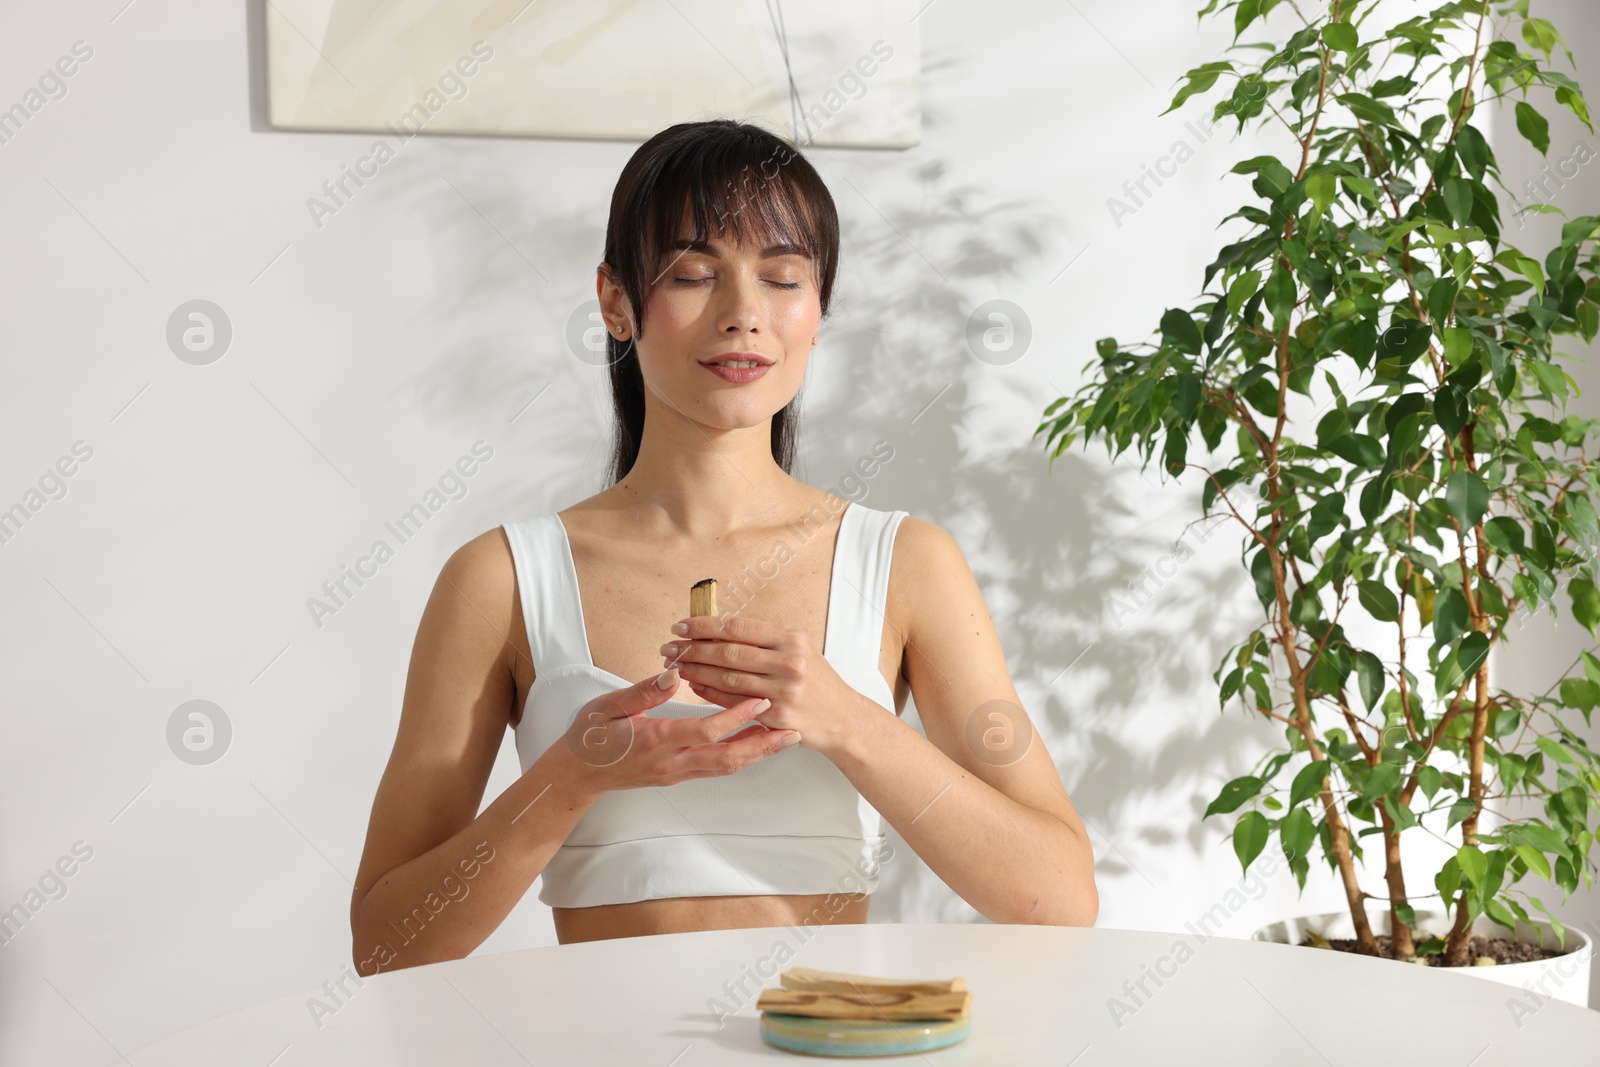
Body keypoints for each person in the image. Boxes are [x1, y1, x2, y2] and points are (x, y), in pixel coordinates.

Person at [349, 119, 1096, 974]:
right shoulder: (502, 579)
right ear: (615, 302)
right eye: (696, 274)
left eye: (782, 278)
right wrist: (573, 775)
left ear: (818, 313)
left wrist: (846, 718)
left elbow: (1060, 896)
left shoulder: (905, 562)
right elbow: (386, 943)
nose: (745, 316)